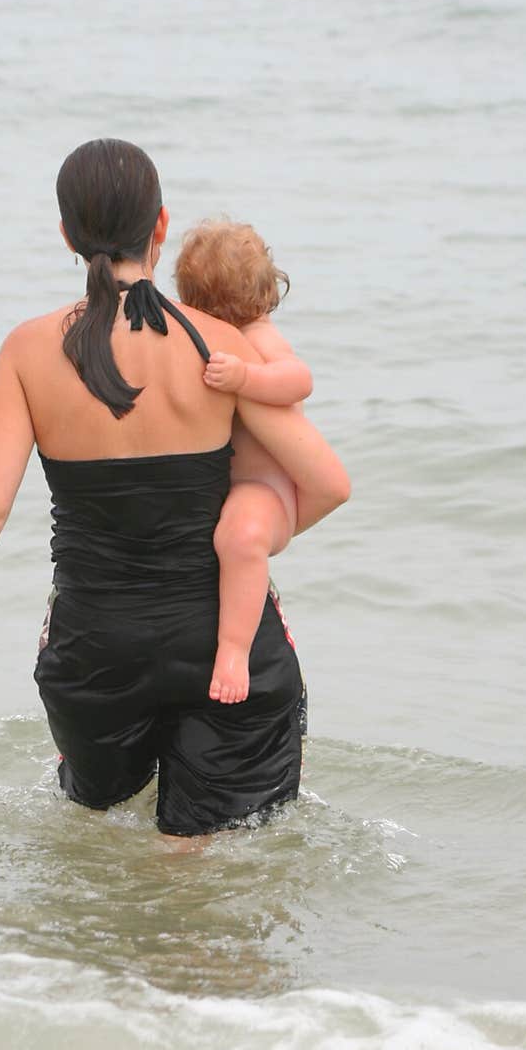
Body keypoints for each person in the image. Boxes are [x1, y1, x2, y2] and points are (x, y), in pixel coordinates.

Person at [0, 139, 350, 842]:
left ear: (68, 237)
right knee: (207, 870)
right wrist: (259, 531)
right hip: (225, 651)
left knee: (102, 845)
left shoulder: (27, 351)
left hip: (93, 655)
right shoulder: (218, 348)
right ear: (161, 227)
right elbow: (327, 483)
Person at [175, 220, 309, 706]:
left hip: (266, 490)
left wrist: (245, 377)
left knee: (241, 537)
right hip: (230, 487)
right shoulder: (198, 339)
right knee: (222, 536)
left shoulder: (257, 333)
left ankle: (233, 651)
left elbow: (298, 380)